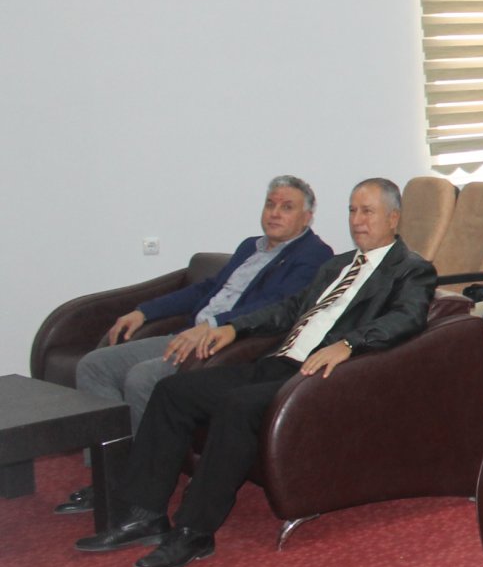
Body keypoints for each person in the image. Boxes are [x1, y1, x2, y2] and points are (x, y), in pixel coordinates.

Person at [76, 179, 435, 567]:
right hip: (279, 362)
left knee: (237, 406)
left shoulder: (411, 270)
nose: (357, 220)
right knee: (172, 391)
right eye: (352, 210)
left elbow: (407, 318)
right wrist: (235, 327)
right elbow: (289, 309)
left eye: (367, 211)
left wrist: (350, 343)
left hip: (321, 375)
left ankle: (194, 532)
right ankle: (144, 514)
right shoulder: (337, 265)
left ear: (393, 218)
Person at [60, 175, 334, 516]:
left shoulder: (314, 256)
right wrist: (144, 311)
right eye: (270, 204)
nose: (275, 213)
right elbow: (205, 290)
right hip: (188, 334)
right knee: (94, 365)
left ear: (307, 217)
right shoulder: (251, 247)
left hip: (227, 345)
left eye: (287, 207)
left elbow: (278, 306)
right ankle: (109, 477)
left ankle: (136, 489)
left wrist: (216, 325)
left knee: (142, 377)